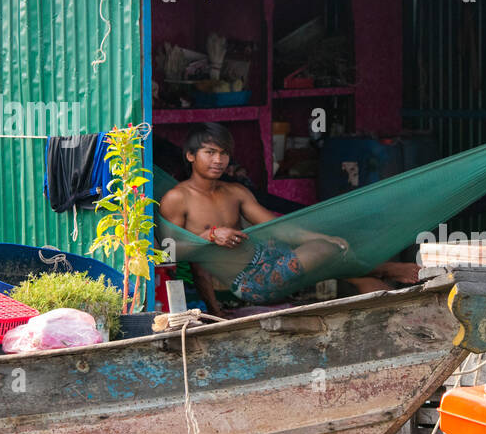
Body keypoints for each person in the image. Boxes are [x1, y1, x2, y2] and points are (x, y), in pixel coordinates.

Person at [158, 123, 416, 315]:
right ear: (191, 156)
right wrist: (210, 236)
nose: (218, 160)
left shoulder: (235, 192)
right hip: (252, 282)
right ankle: (388, 267)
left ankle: (395, 311)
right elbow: (169, 253)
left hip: (274, 257)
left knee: (349, 264)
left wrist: (321, 236)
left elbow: (278, 227)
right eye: (210, 152)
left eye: (223, 153)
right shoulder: (177, 198)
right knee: (328, 250)